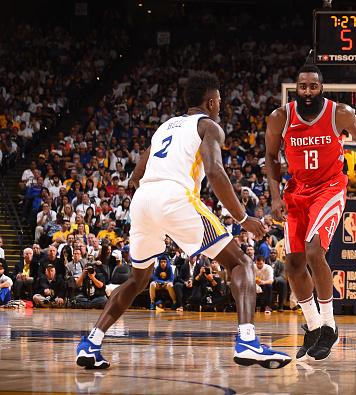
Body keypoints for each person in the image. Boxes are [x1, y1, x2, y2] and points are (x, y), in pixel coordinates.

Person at [77, 72, 290, 370]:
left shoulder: (165, 126)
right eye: (220, 101)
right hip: (174, 197)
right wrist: (242, 218)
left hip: (143, 200)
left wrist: (152, 205)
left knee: (138, 279)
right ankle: (248, 341)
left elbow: (136, 174)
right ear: (212, 102)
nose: (221, 106)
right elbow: (215, 172)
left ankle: (91, 342)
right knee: (240, 263)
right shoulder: (209, 126)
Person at [265, 64, 356, 361]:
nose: (308, 91)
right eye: (303, 86)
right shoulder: (280, 117)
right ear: (296, 88)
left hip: (330, 187)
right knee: (293, 263)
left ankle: (329, 325)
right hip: (296, 191)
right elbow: (271, 157)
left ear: (322, 87)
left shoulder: (340, 113)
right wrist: (274, 196)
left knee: (314, 252)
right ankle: (312, 327)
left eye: (313, 86)